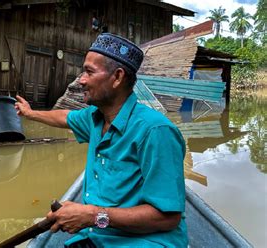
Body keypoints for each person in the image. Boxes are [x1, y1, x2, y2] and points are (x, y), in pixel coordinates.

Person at [15, 33, 187, 247]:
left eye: (89, 71)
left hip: (146, 242)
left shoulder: (156, 132)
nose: (81, 80)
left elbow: (168, 218)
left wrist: (92, 216)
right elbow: (64, 117)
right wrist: (30, 113)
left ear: (117, 77)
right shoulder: (94, 118)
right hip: (100, 237)